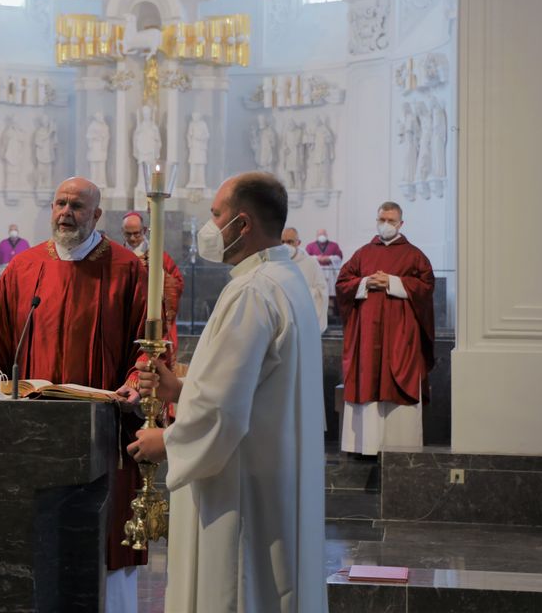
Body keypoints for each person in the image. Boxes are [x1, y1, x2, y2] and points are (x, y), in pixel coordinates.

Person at [127, 172, 326, 613]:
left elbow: (224, 408)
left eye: (215, 215)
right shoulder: (286, 279)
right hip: (273, 473)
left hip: (241, 488)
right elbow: (254, 383)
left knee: (236, 591)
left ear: (243, 223)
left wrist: (167, 442)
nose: (209, 226)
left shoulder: (252, 291)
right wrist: (181, 386)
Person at [0, 177, 152, 611]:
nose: (66, 212)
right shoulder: (24, 268)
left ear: (97, 215)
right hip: (31, 440)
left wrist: (135, 384)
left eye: (77, 206)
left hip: (102, 437)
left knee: (103, 550)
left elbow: (148, 347)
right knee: (34, 551)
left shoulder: (126, 269)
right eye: (60, 203)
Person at [335, 202, 435, 455]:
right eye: (382, 219)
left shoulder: (414, 255)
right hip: (367, 334)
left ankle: (401, 447)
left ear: (401, 224)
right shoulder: (363, 253)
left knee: (399, 379)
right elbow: (343, 283)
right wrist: (366, 281)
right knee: (368, 377)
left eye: (391, 221)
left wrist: (392, 282)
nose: (386, 225)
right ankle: (365, 445)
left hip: (401, 335)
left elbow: (426, 287)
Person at [121, 210, 183, 356]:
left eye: (136, 233)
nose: (133, 238)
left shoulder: (158, 255)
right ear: (122, 232)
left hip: (151, 314)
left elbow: (177, 282)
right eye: (128, 234)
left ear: (144, 230)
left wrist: (160, 279)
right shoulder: (118, 256)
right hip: (127, 314)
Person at [282, 226, 328, 333]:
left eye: (290, 242)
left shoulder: (311, 263)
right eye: (282, 241)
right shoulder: (275, 263)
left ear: (298, 243)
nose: (285, 245)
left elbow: (322, 293)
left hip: (304, 321)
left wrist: (300, 292)